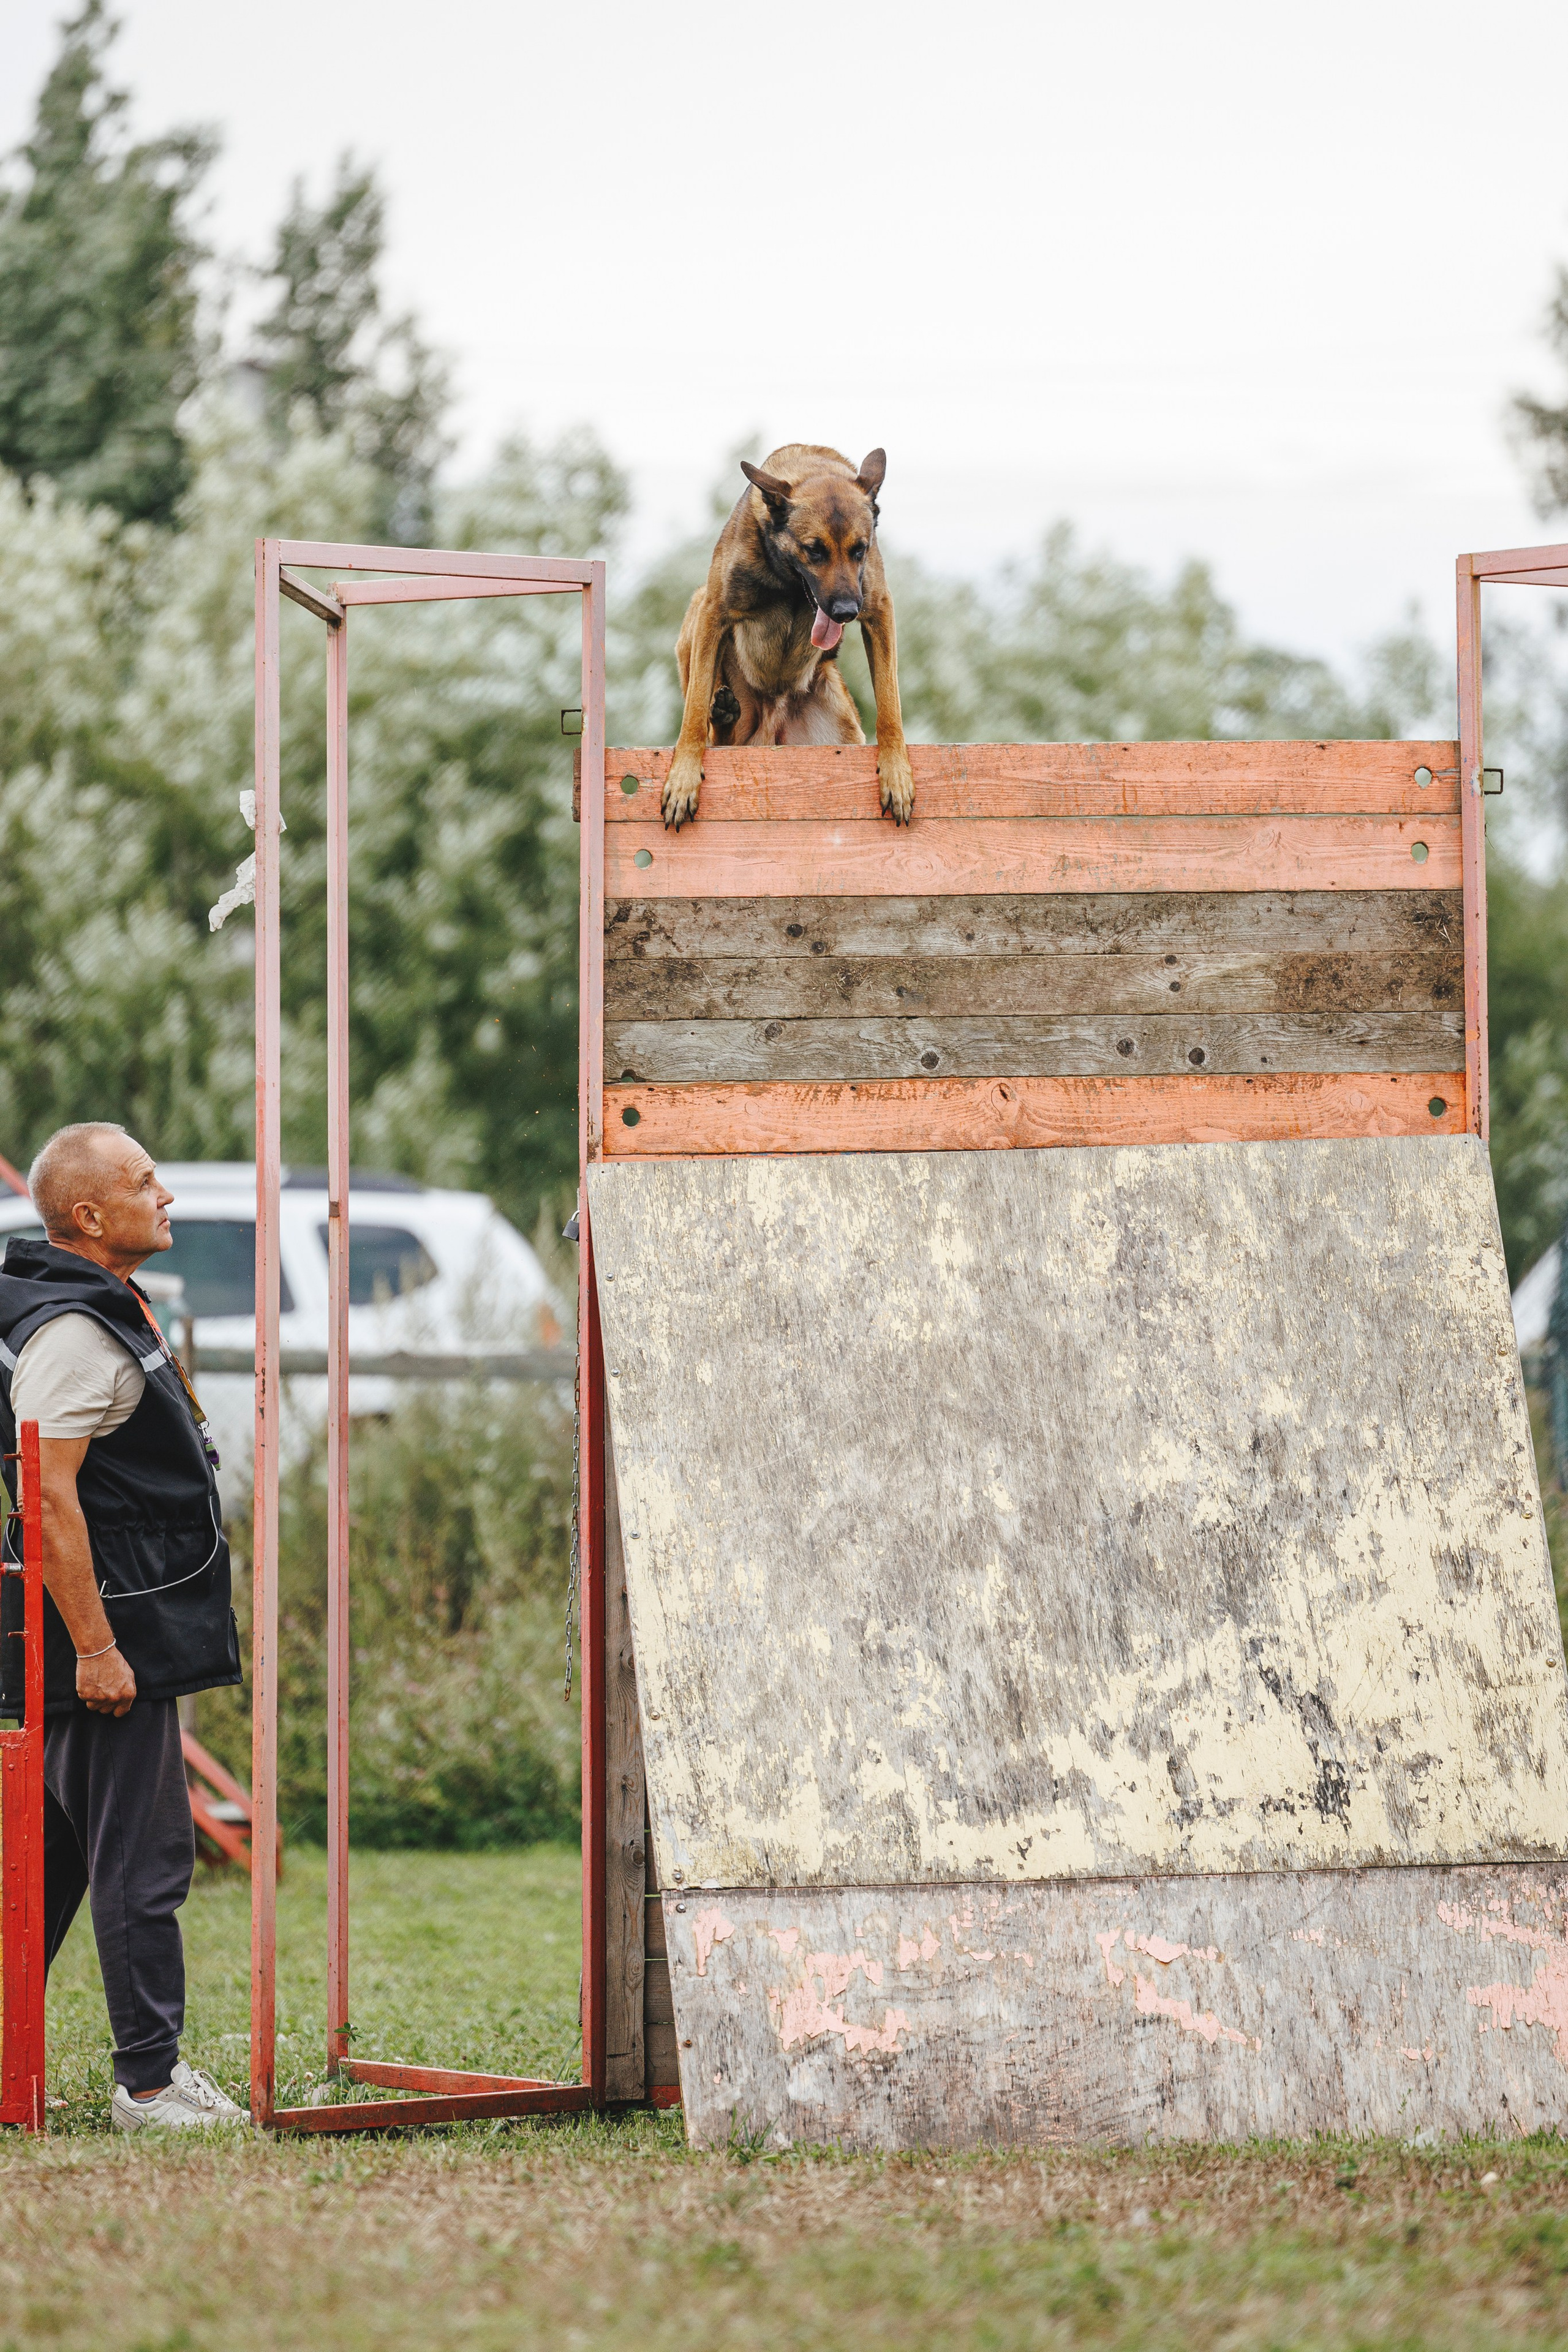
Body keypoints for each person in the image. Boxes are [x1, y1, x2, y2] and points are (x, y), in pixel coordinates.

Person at [0, 1123, 246, 2130]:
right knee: (144, 1865)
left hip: (91, 1638)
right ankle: (148, 2083)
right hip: (97, 1646)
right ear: (91, 1217)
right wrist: (99, 1651)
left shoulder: (89, 1304)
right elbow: (46, 1500)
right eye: (146, 1182)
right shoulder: (71, 1334)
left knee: (51, 1867)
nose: (168, 1195)